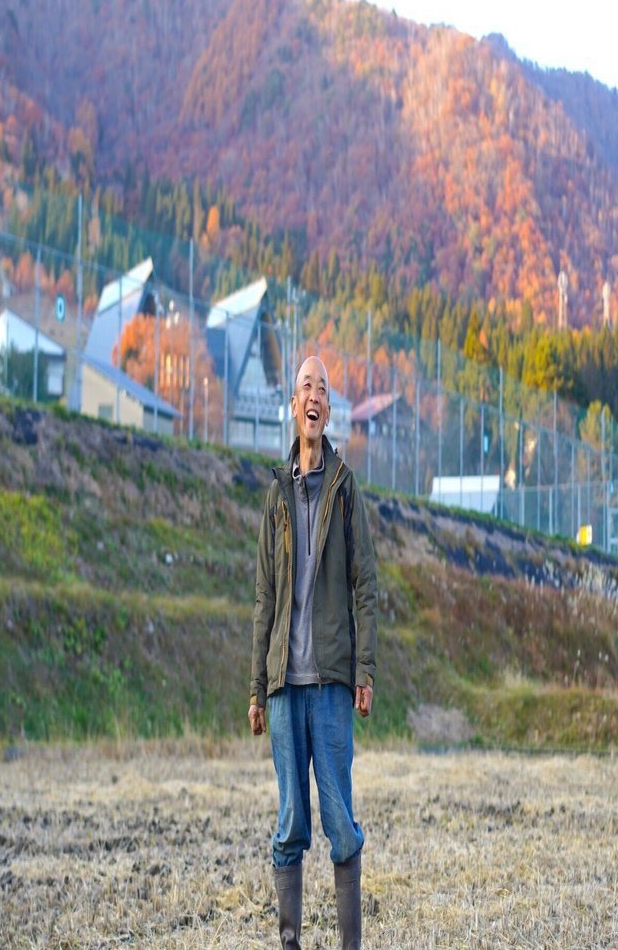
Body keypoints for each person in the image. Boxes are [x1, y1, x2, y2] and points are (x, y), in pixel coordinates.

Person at [249, 355, 378, 950]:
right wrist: (256, 687)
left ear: (328, 412)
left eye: (324, 388)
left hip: (328, 684)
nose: (315, 395)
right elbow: (264, 599)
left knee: (339, 823)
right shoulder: (276, 496)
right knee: (289, 824)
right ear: (293, 404)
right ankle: (290, 941)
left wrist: (365, 670)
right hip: (282, 690)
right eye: (307, 385)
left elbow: (365, 587)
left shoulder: (346, 491)